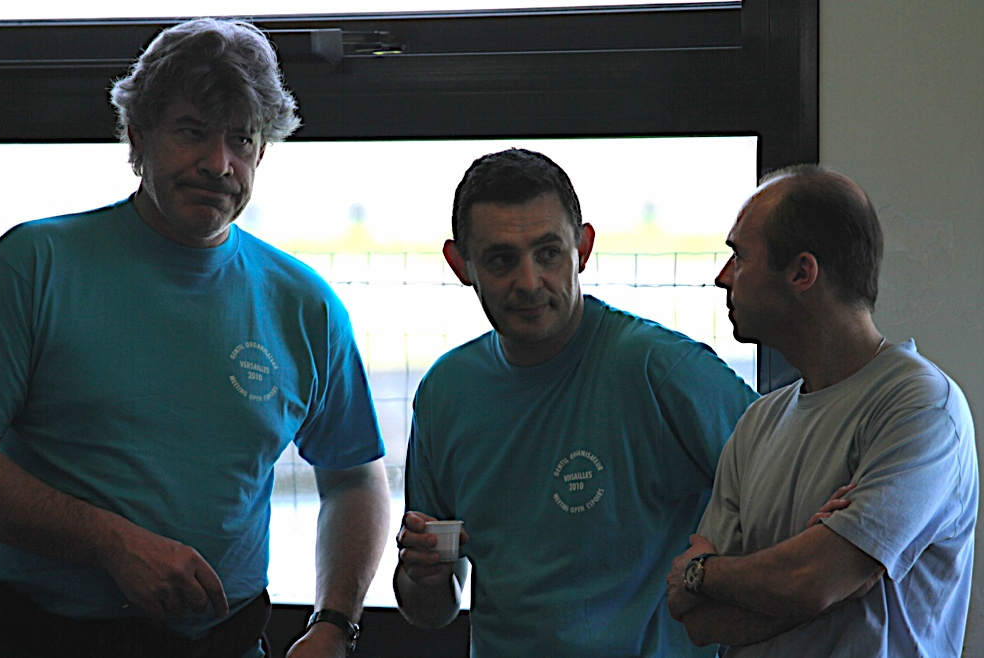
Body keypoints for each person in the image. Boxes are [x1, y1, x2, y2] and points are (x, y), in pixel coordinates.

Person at [0, 18, 390, 658]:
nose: (218, 163)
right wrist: (109, 542)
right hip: (34, 634)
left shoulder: (304, 304)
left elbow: (354, 480)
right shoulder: (34, 265)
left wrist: (334, 623)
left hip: (225, 642)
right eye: (192, 132)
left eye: (241, 138)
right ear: (137, 137)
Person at [393, 148, 759, 657]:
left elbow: (790, 509)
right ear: (461, 264)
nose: (528, 282)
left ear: (582, 249)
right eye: (501, 260)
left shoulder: (663, 370)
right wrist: (423, 575)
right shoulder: (445, 392)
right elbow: (432, 609)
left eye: (548, 253)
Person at [666, 165, 978, 657]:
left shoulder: (921, 406)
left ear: (801, 273)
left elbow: (810, 581)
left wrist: (703, 572)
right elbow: (700, 619)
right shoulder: (757, 423)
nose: (722, 277)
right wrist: (819, 580)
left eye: (739, 256)